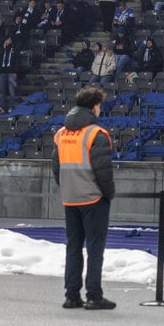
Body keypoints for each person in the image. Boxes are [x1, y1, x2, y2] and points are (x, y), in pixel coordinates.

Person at [52, 86, 116, 310]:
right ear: (94, 107)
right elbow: (103, 171)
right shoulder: (96, 134)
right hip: (92, 199)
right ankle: (94, 295)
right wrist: (108, 194)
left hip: (70, 198)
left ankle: (71, 296)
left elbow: (56, 166)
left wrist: (68, 187)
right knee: (95, 248)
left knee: (73, 247)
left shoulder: (61, 133)